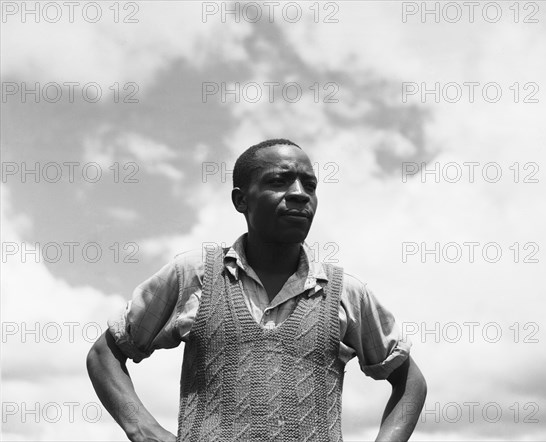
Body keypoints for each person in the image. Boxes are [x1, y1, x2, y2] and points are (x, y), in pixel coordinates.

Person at [87, 138, 427, 442]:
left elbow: (410, 382)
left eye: (309, 185)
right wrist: (144, 430)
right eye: (279, 181)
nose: (299, 193)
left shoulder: (344, 293)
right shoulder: (194, 276)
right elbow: (105, 355)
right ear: (241, 200)